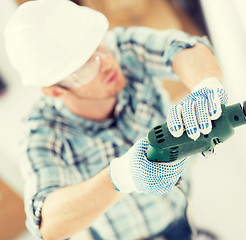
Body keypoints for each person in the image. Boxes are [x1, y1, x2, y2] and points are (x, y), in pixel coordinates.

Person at [5, 0, 227, 239]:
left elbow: (185, 49)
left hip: (177, 207)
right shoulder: (43, 135)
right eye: (84, 66)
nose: (107, 62)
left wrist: (206, 85)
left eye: (98, 46)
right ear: (54, 90)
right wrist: (122, 176)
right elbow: (47, 224)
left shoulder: (122, 49)